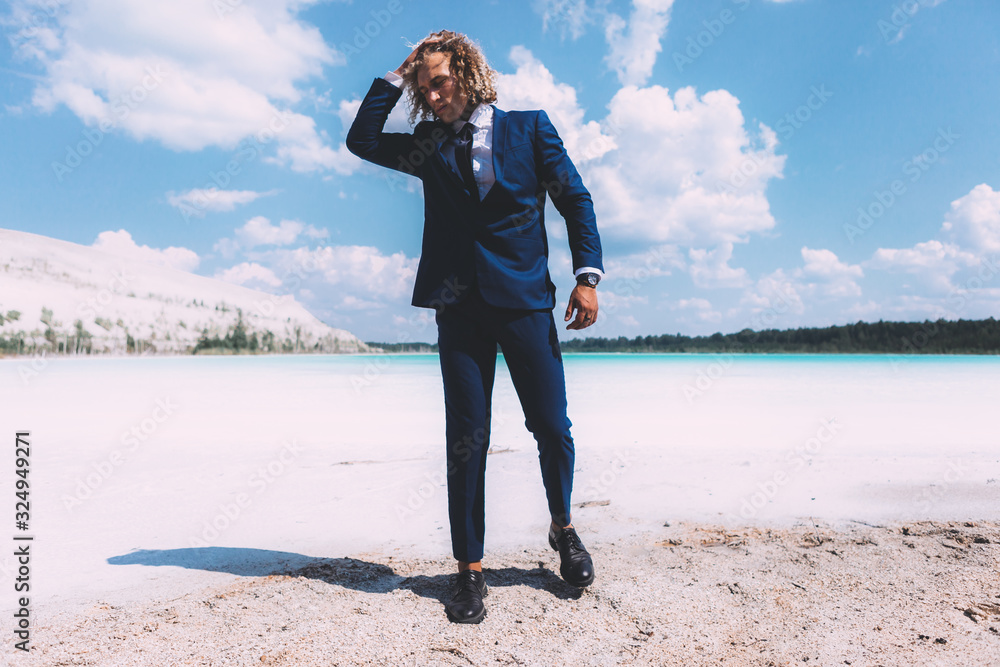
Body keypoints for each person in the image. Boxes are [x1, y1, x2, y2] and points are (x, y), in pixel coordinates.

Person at [346, 30, 604, 624]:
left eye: (439, 82)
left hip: (525, 302)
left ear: (466, 72)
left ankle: (563, 528)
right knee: (467, 438)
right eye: (424, 88)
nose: (433, 96)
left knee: (551, 425)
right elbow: (362, 140)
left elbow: (575, 199)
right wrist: (396, 76)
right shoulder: (427, 144)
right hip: (458, 306)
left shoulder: (530, 128)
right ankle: (469, 571)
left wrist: (586, 276)